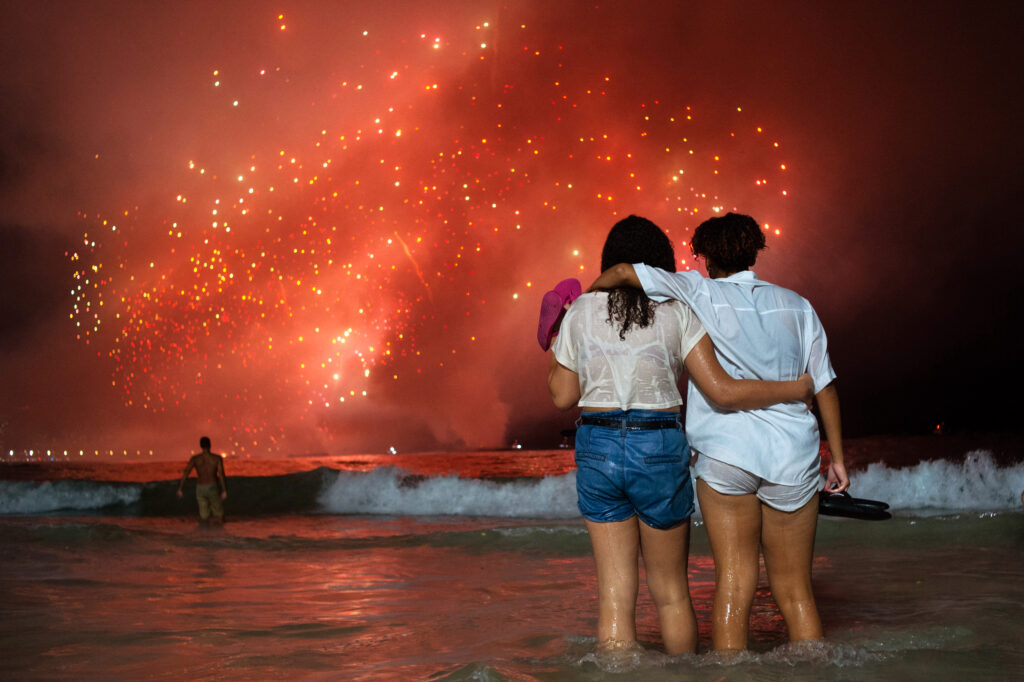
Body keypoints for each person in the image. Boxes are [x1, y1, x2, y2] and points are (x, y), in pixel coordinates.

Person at [547, 215, 814, 655]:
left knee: (614, 597)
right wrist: (796, 388)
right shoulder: (677, 310)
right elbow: (721, 390)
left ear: (609, 260)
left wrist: (555, 336)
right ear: (660, 263)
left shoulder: (581, 311)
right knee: (671, 593)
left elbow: (561, 396)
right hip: (658, 443)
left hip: (598, 442)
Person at [177, 436, 228, 523]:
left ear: (200, 446)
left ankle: (204, 534)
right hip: (212, 486)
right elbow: (221, 475)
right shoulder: (217, 458)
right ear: (210, 445)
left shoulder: (195, 459)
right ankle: (221, 534)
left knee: (204, 516)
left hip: (200, 487)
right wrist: (224, 490)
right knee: (219, 514)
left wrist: (180, 488)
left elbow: (186, 473)